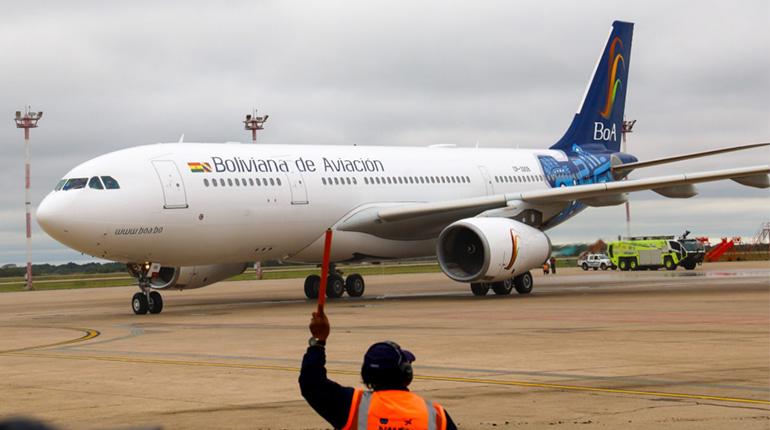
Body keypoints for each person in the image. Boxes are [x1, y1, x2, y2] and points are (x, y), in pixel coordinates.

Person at [300, 309, 457, 429]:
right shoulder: (436, 416)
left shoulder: (352, 406)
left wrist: (319, 341)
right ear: (407, 373)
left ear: (366, 375)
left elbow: (311, 382)